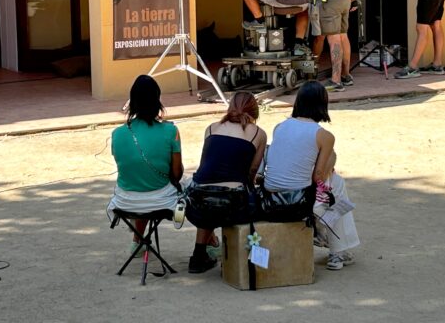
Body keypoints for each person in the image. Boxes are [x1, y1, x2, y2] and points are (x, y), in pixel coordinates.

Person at [262, 81, 360, 271]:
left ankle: (333, 245)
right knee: (337, 185)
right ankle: (336, 252)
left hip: (271, 199)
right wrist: (332, 162)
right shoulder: (324, 135)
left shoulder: (280, 127)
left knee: (336, 183)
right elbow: (319, 177)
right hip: (296, 202)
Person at [184, 92, 267, 274]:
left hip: (197, 201)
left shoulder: (212, 128)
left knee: (208, 193)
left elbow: (206, 164)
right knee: (242, 197)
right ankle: (240, 255)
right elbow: (253, 170)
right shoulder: (258, 133)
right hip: (232, 203)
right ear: (255, 110)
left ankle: (198, 256)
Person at [107, 76, 184, 255]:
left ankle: (138, 241)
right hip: (160, 201)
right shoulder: (171, 130)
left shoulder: (117, 133)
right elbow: (177, 174)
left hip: (125, 201)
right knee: (192, 187)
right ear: (157, 100)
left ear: (132, 101)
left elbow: (128, 168)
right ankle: (210, 244)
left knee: (141, 182)